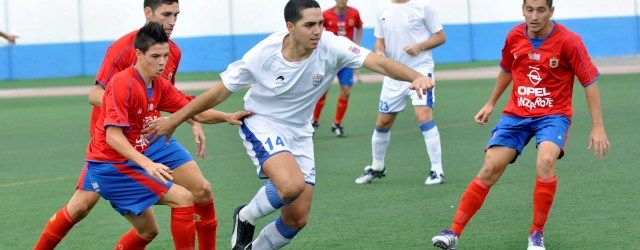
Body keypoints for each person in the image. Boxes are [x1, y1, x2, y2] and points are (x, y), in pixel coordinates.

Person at [142, 1, 434, 249]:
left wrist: (414, 77)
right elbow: (218, 92)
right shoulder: (263, 54)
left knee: (297, 218)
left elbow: (379, 63)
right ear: (290, 27)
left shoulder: (333, 45)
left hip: (300, 130)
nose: (318, 31)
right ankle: (245, 216)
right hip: (262, 122)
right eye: (309, 25)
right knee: (290, 185)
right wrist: (175, 120)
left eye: (320, 23)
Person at [34, 1, 221, 249]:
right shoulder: (124, 47)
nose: (173, 21)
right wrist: (127, 111)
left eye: (176, 15)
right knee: (80, 207)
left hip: (148, 137)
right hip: (114, 141)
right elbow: (95, 94)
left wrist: (191, 120)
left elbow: (166, 95)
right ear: (148, 13)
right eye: (166, 14)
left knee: (202, 190)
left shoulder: (171, 51)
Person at [431, 0, 610, 249]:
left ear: (551, 11)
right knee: (491, 167)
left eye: (540, 10)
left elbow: (589, 81)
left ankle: (536, 234)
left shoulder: (569, 41)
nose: (534, 16)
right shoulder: (514, 36)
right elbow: (507, 69)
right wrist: (491, 102)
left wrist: (597, 126)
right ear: (523, 10)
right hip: (517, 114)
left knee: (546, 161)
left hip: (553, 115)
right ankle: (453, 232)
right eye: (529, 9)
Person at [86, 22, 247, 249]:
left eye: (165, 55)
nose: (162, 62)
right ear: (139, 54)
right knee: (183, 199)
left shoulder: (158, 84)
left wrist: (227, 116)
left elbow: (192, 111)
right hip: (111, 165)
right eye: (155, 56)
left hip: (134, 155)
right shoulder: (122, 83)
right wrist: (148, 164)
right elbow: (112, 137)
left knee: (150, 229)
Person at [354, 0, 447, 185]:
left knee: (423, 117)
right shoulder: (382, 8)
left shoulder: (423, 7)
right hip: (393, 73)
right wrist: (379, 52)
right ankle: (377, 166)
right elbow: (379, 41)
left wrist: (419, 46)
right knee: (382, 122)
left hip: (420, 72)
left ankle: (437, 170)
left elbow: (441, 36)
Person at [311, 0, 362, 136]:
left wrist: (356, 44)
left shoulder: (354, 13)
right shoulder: (326, 15)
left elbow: (359, 27)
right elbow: (317, 31)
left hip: (346, 60)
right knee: (322, 92)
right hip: (330, 60)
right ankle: (314, 122)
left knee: (346, 91)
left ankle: (337, 124)